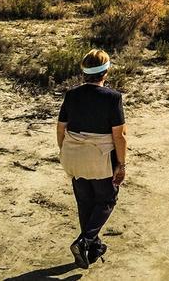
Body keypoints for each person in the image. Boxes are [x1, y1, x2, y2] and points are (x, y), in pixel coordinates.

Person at [56, 49, 127, 269]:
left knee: (85, 202)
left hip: (73, 156)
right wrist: (121, 164)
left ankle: (93, 248)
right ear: (106, 72)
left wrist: (64, 151)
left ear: (84, 72)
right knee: (107, 199)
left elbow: (61, 128)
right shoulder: (112, 98)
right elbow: (119, 136)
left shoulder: (71, 95)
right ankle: (85, 241)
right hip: (100, 159)